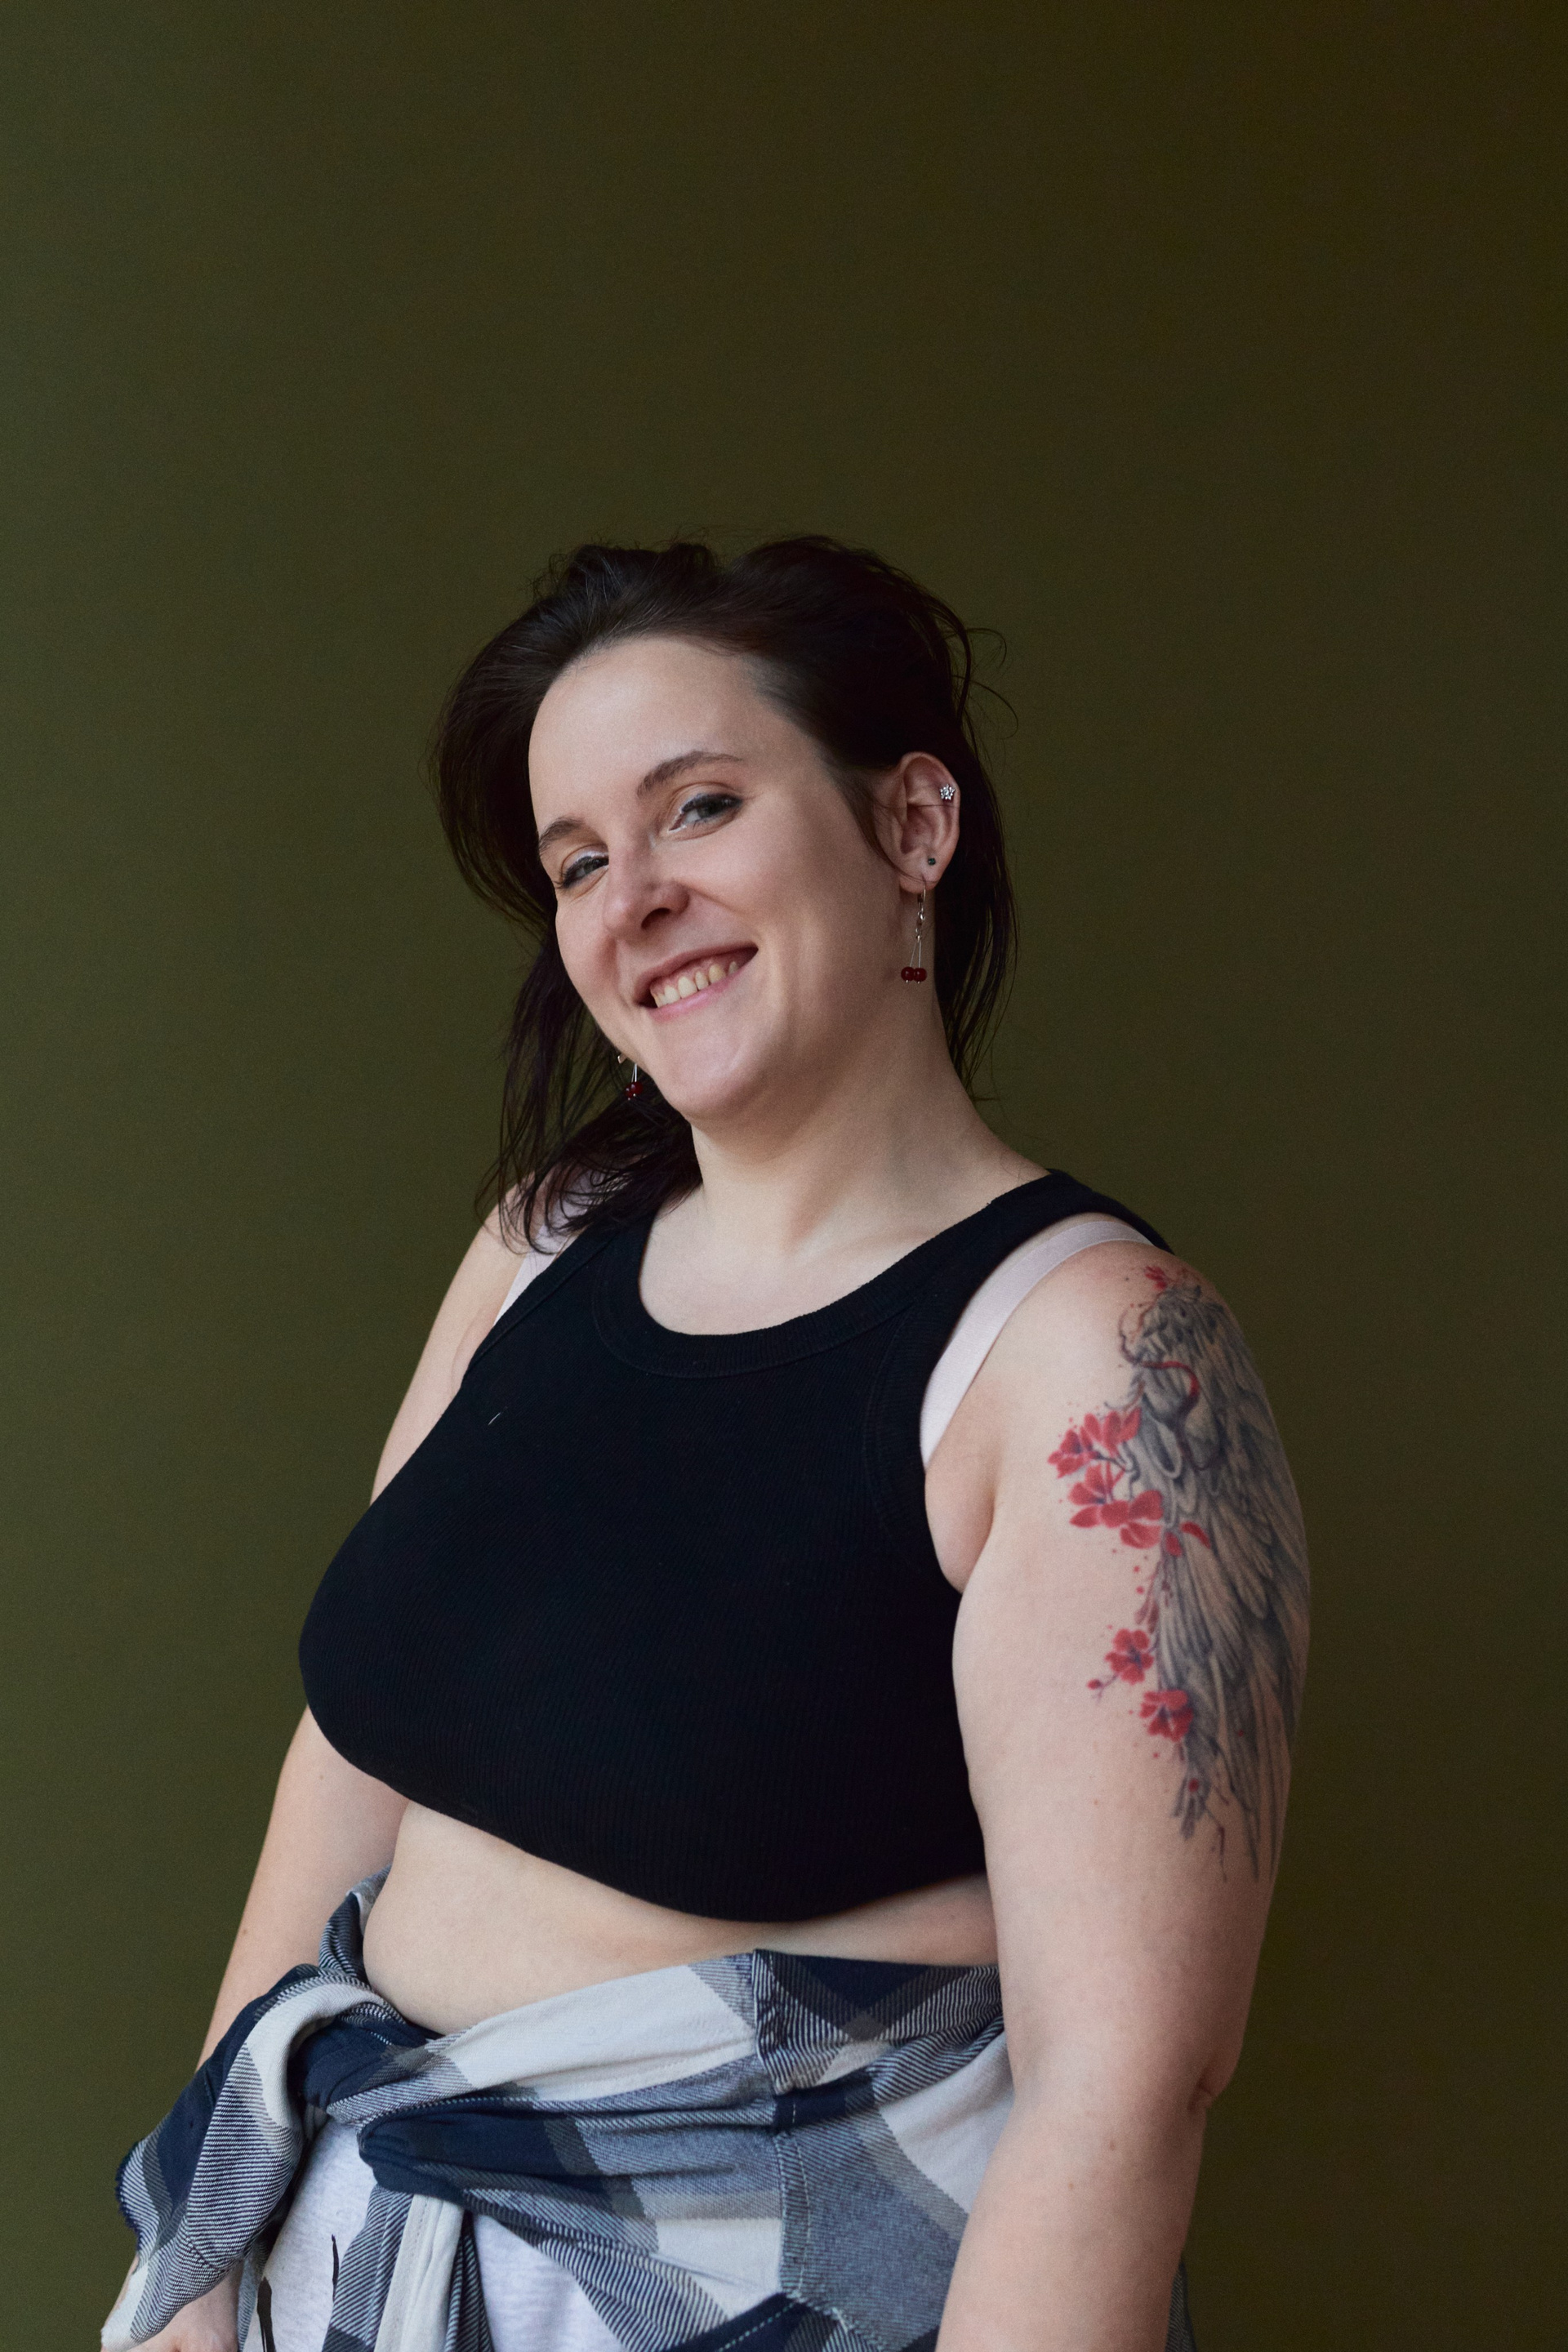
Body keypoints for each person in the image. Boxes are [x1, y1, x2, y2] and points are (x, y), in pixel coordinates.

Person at [104, 537, 1309, 2352]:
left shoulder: (1092, 1359)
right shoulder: (545, 1243)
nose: (635, 900)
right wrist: (195, 2276)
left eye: (701, 808)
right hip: (338, 2267)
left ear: (912, 826)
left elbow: (1121, 2094)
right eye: (580, 862)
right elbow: (351, 1762)